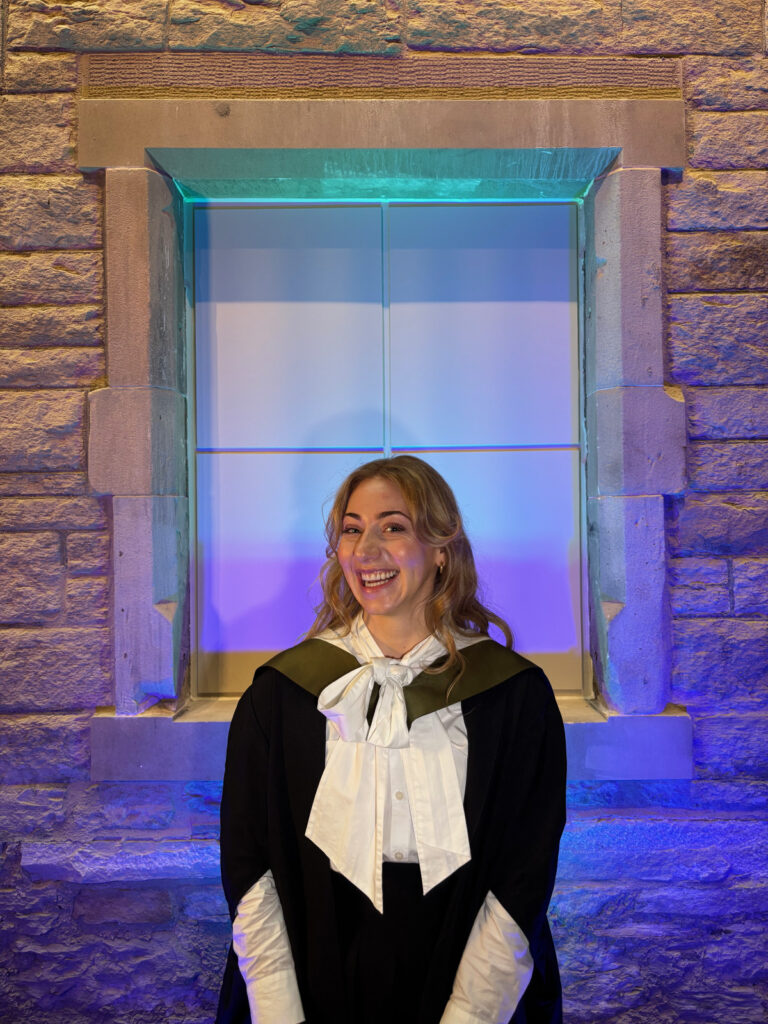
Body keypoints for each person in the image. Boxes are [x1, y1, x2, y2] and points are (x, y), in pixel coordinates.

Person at [216, 455, 566, 1024]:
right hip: (314, 956)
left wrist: (472, 1014)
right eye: (352, 529)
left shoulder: (513, 696)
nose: (366, 550)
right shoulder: (282, 694)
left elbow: (523, 873)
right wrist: (280, 1010)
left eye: (393, 526)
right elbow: (249, 866)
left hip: (464, 956)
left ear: (441, 547)